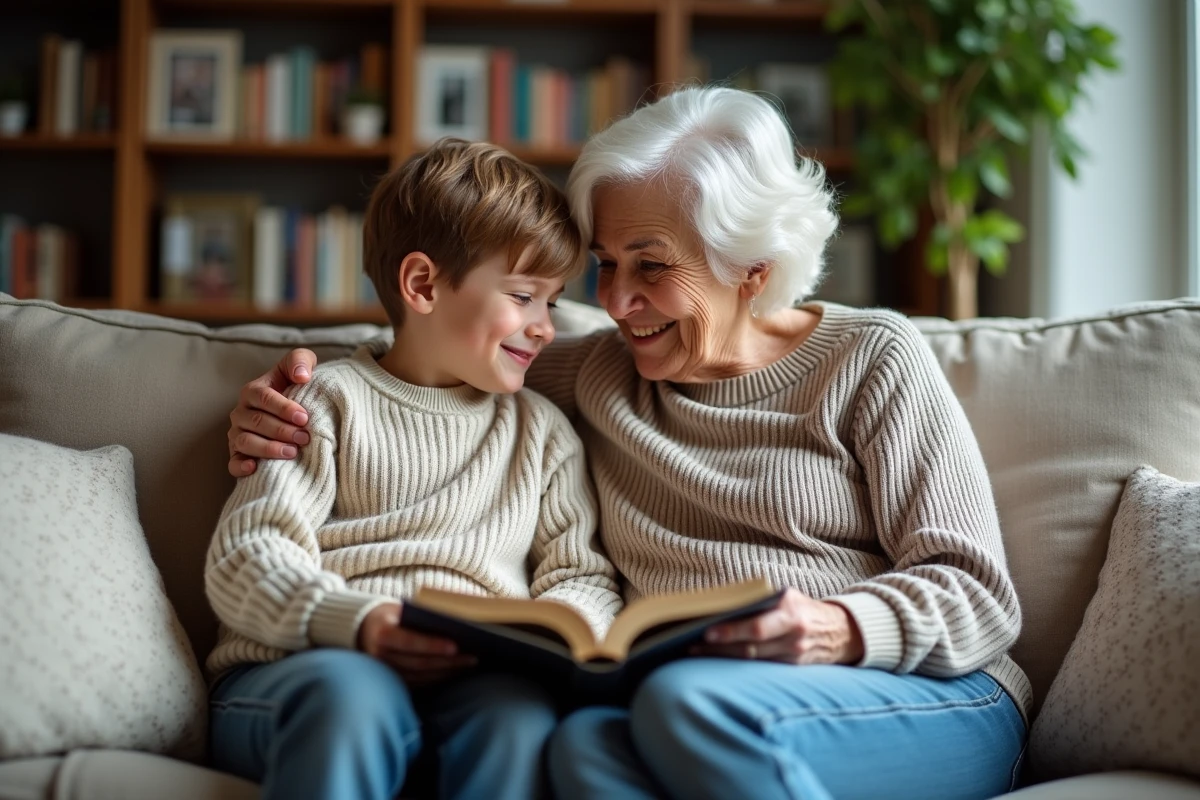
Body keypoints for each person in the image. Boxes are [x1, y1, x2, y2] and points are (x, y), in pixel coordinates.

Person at [226, 87, 1030, 800]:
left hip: (916, 692)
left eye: (650, 267)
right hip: (689, 702)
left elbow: (978, 595)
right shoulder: (592, 374)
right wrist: (282, 397)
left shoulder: (873, 358)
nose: (615, 301)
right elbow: (434, 357)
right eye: (606, 265)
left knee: (685, 705)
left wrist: (836, 628)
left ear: (751, 267)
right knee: (581, 750)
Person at [205, 138, 623, 800]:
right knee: (354, 699)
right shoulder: (325, 401)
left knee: (516, 721)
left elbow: (583, 578)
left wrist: (548, 636)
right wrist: (359, 621)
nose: (545, 326)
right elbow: (248, 555)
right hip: (307, 671)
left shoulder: (541, 431)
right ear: (422, 284)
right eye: (523, 296)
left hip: (472, 681)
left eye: (553, 300)